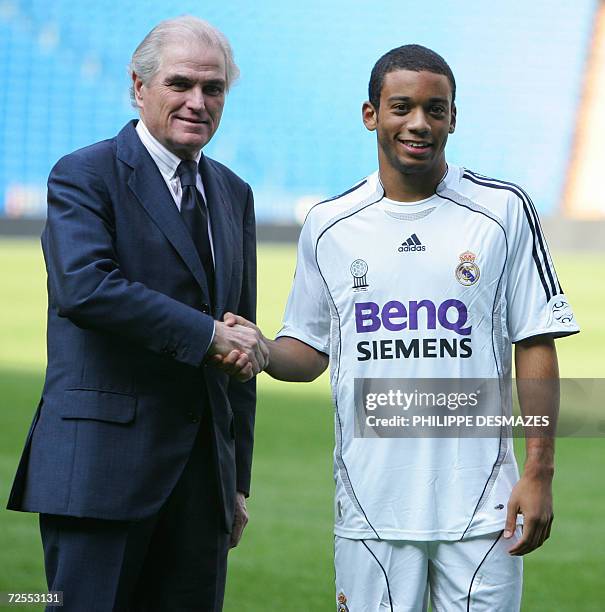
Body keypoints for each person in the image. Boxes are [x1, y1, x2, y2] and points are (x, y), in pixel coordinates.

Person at [217, 45, 579, 610]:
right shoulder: (329, 225)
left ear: (453, 118)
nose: (419, 123)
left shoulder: (503, 211)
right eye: (402, 107)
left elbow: (534, 340)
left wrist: (539, 471)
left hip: (484, 506)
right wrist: (262, 350)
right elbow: (308, 351)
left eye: (436, 110)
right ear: (371, 114)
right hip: (371, 507)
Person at [7, 16, 267, 612]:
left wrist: (237, 482)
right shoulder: (84, 174)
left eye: (214, 88)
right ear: (139, 85)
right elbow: (85, 287)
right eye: (181, 84)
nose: (198, 102)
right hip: (100, 473)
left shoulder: (234, 192)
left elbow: (242, 347)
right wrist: (205, 335)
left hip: (203, 487)